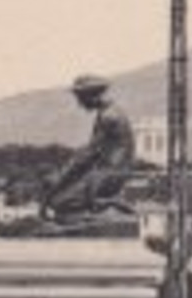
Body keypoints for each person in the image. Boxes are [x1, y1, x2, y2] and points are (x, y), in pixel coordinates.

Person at [42, 74, 136, 222]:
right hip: (110, 171)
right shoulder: (110, 112)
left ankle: (107, 205)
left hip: (109, 174)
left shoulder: (109, 117)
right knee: (61, 201)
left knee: (59, 203)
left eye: (80, 99)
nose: (79, 104)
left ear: (90, 96)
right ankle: (102, 205)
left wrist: (61, 177)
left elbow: (89, 154)